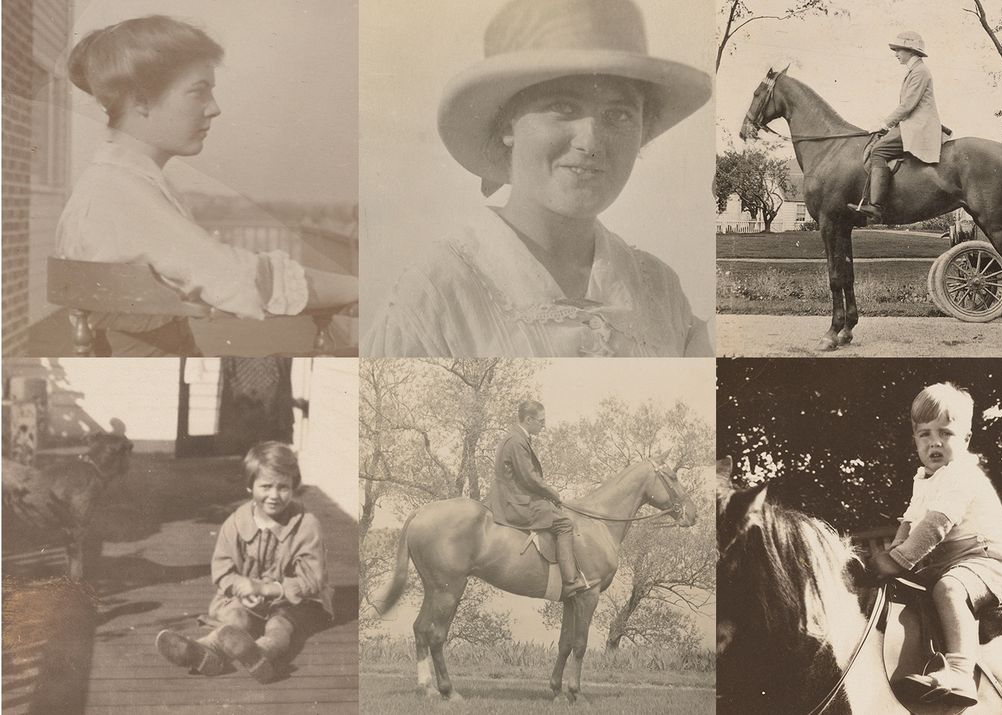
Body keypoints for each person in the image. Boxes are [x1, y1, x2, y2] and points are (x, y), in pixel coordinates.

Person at [363, 0, 712, 357]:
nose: (590, 141)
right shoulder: (436, 295)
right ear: (507, 124)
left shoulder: (661, 293)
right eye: (562, 107)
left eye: (619, 114)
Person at [59, 15, 359, 356]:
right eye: (198, 92)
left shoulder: (115, 183)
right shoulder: (119, 194)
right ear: (140, 98)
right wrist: (358, 287)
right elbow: (240, 279)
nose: (214, 109)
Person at [870, 383, 1002, 707]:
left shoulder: (961, 473)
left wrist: (897, 560)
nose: (934, 441)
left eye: (945, 433)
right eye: (924, 434)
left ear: (965, 439)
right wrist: (893, 556)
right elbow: (910, 523)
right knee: (907, 589)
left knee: (949, 589)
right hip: (952, 561)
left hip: (988, 559)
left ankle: (961, 673)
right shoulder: (923, 478)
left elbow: (936, 524)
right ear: (915, 440)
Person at [155, 441, 332, 683]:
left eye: (283, 487)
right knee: (235, 618)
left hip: (294, 601)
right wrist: (240, 585)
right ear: (250, 486)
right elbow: (222, 569)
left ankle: (261, 653)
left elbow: (314, 578)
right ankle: (200, 651)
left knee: (280, 625)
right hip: (248, 599)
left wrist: (268, 588)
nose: (274, 495)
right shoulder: (236, 523)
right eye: (266, 486)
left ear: (294, 486)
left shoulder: (306, 525)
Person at [489, 401, 588, 599]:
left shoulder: (515, 437)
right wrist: (553, 494)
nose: (544, 425)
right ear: (528, 419)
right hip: (515, 502)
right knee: (564, 524)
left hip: (513, 496)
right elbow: (529, 477)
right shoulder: (516, 441)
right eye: (541, 421)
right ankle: (570, 581)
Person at [851, 30, 943, 223]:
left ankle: (876, 206)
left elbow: (907, 105)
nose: (896, 54)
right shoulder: (915, 71)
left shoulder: (920, 72)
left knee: (878, 150)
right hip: (911, 124)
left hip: (918, 127)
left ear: (910, 50)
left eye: (898, 49)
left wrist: (885, 123)